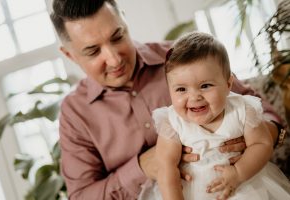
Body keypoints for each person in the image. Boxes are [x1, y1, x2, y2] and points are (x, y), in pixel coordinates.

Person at [49, 0, 285, 199]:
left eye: (118, 36)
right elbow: (81, 196)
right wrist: (142, 167)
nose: (114, 59)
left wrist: (258, 138)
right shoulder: (75, 114)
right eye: (93, 51)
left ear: (124, 19)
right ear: (69, 54)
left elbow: (265, 112)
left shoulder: (182, 60)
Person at [138, 32, 290, 200]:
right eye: (181, 89)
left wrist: (239, 173)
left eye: (205, 86)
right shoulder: (172, 121)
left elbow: (262, 143)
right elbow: (166, 166)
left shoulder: (243, 109)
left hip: (243, 185)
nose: (195, 96)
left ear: (228, 84)